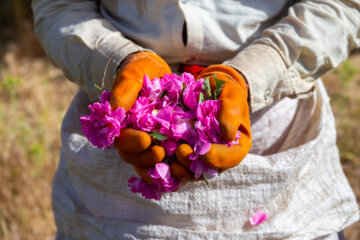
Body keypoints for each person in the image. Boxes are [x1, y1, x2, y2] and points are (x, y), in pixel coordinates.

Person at [32, 0, 360, 239]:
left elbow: (343, 6)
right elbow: (58, 7)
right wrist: (119, 61)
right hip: (122, 139)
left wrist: (252, 75)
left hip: (274, 133)